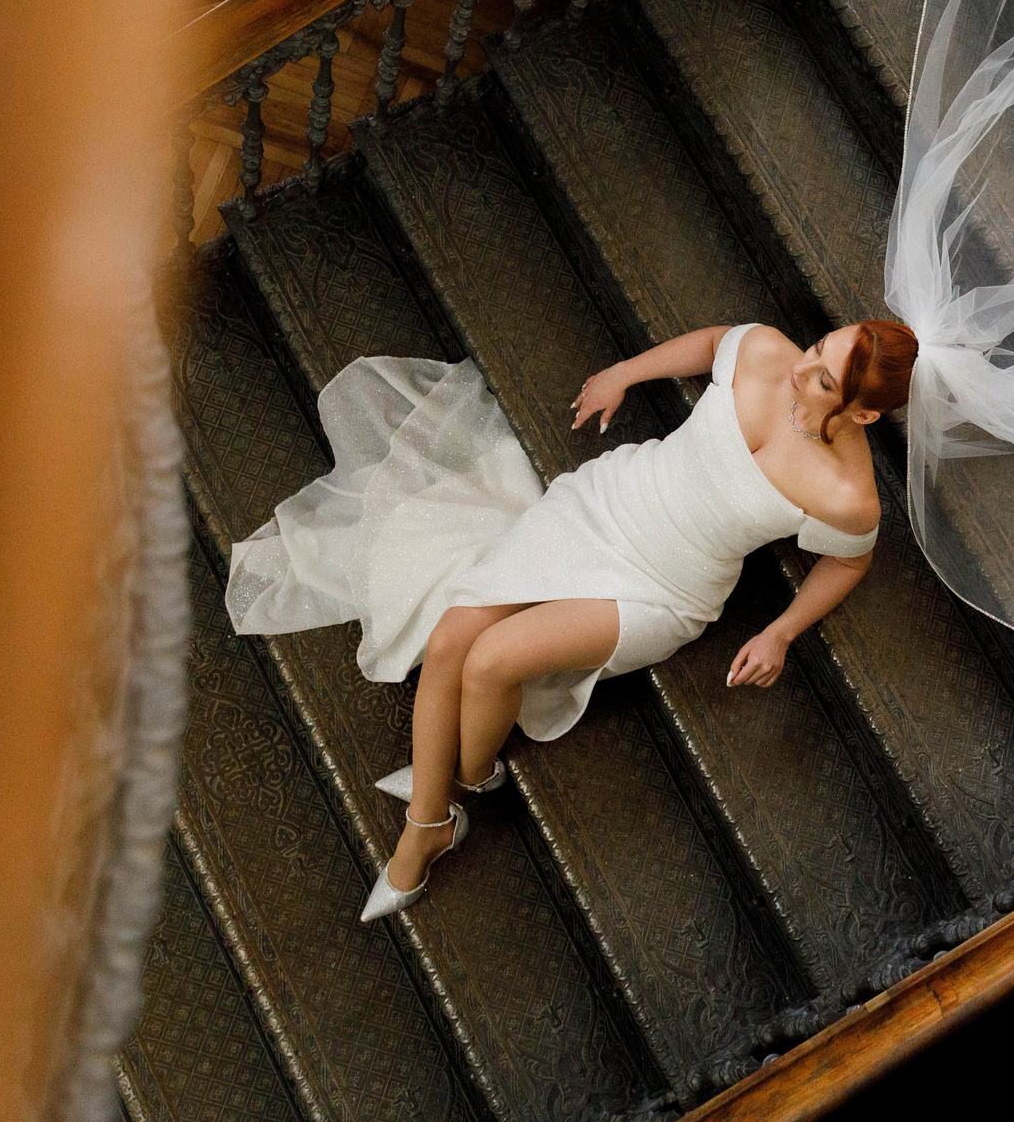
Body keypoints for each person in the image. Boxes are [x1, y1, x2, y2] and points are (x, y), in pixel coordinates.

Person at [224, 320, 915, 919]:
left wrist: (781, 629)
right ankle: (443, 805)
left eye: (823, 380)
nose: (801, 366)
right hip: (604, 503)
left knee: (494, 658)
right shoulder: (767, 349)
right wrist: (623, 372)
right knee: (450, 638)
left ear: (861, 416)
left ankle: (440, 805)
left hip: (663, 585)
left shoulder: (848, 496)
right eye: (819, 346)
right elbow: (710, 345)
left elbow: (847, 565)